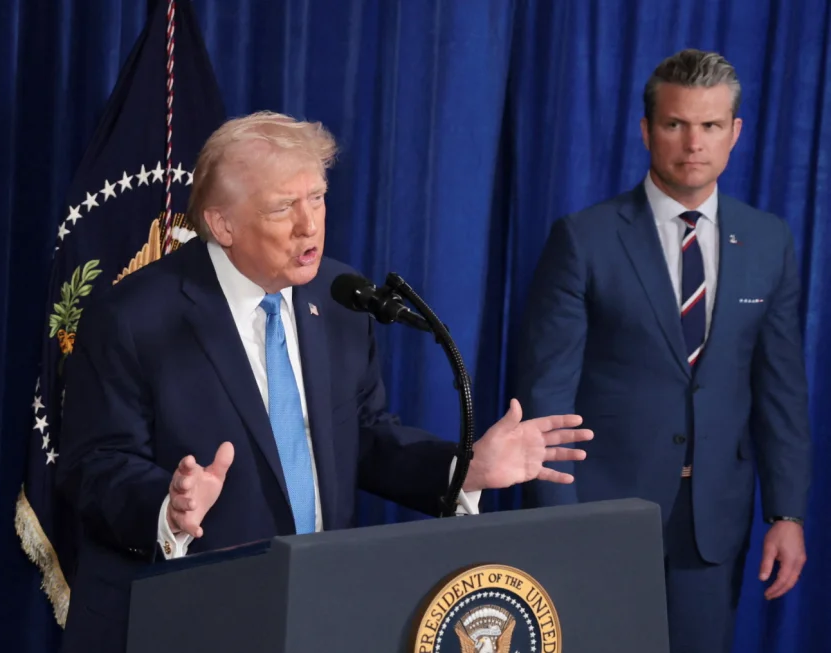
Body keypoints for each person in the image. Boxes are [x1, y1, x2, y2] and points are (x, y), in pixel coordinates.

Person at [56, 111, 593, 653]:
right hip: (182, 616)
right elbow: (95, 463)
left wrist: (463, 468)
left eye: (316, 197)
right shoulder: (134, 316)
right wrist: (167, 508)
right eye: (282, 207)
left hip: (312, 610)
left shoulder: (338, 296)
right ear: (222, 224)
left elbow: (364, 436)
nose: (308, 225)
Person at [517, 49, 809, 653]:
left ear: (735, 133)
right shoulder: (584, 239)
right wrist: (558, 521)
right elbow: (546, 393)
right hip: (600, 514)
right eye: (676, 124)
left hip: (712, 522)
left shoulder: (768, 240)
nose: (693, 142)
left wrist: (787, 514)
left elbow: (779, 388)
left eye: (710, 126)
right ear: (648, 130)